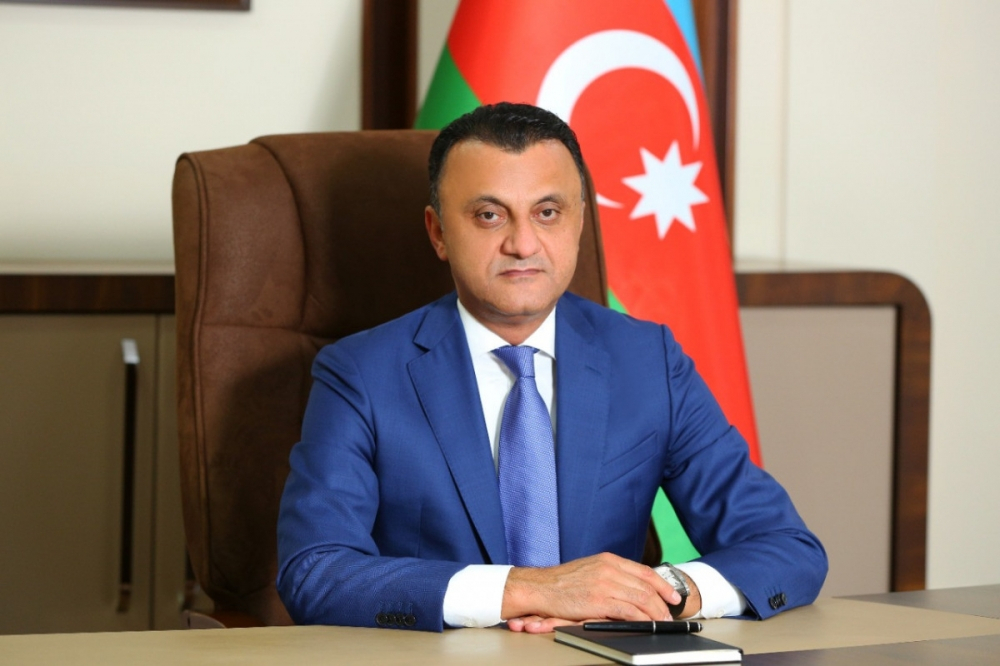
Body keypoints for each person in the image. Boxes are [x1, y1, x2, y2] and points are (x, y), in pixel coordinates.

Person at [276, 102, 827, 633]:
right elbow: (315, 571)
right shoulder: (360, 374)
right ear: (438, 232)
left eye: (547, 213)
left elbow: (786, 547)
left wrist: (660, 593)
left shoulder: (648, 360)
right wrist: (531, 589)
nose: (523, 244)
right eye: (489, 215)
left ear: (579, 221)